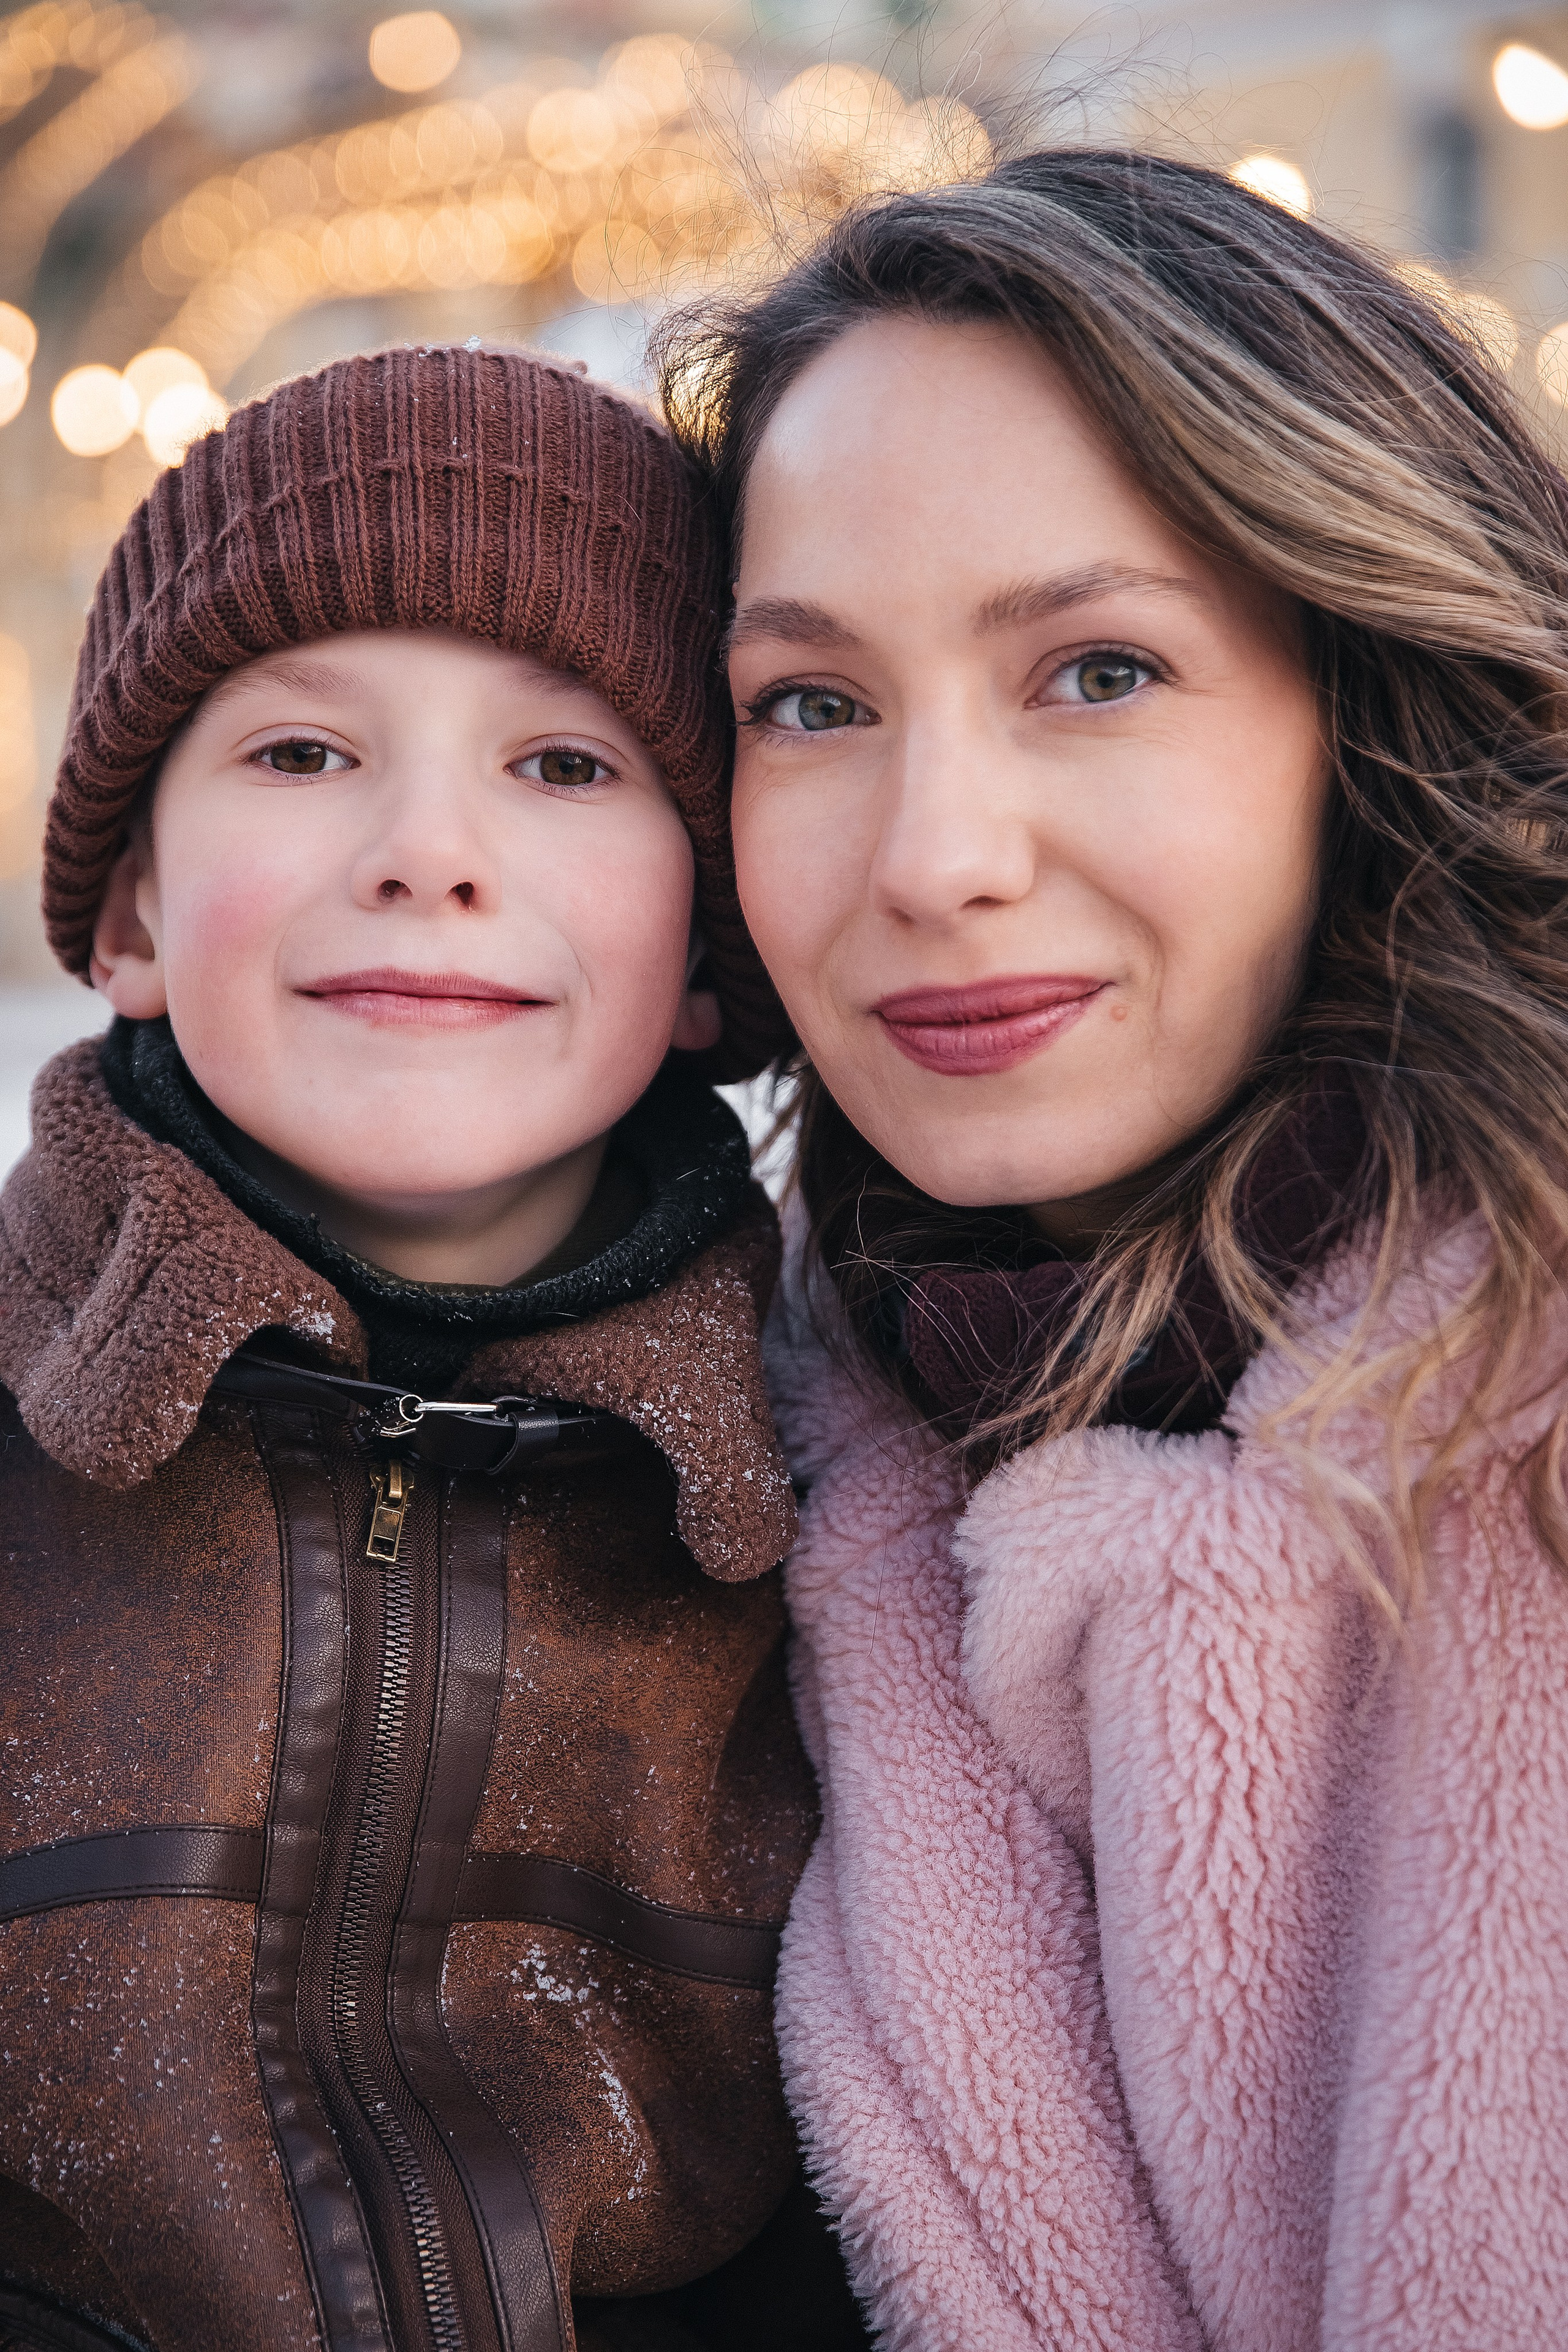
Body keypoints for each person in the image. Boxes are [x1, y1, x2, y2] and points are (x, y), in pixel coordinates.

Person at [658, 151, 1568, 2348]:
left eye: (1097, 668)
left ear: (1358, 710)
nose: (939, 856)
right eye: (811, 703)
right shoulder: (727, 1497)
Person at [0, 345, 869, 2352]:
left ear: (704, 954)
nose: (428, 850)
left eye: (563, 768)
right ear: (129, 906)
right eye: (304, 755)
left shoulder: (847, 1513)